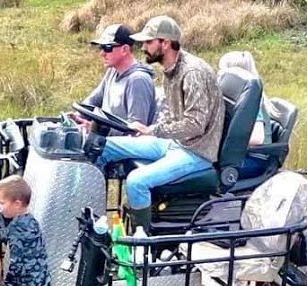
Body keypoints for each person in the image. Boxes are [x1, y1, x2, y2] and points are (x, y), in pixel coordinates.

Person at [93, 16, 224, 233]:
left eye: (148, 42)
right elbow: (172, 115)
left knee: (137, 182)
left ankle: (140, 245)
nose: (142, 47)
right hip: (175, 143)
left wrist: (153, 130)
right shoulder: (171, 69)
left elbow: (195, 125)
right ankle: (96, 219)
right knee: (105, 145)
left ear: (165, 43)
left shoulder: (192, 74)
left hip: (196, 152)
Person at [73, 24, 157, 132]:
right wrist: (75, 117)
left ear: (124, 49)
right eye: (101, 48)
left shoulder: (138, 80)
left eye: (107, 48)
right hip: (107, 141)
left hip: (125, 147)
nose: (102, 53)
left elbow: (137, 132)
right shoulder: (112, 72)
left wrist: (95, 130)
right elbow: (91, 102)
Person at [0, 175, 49, 286]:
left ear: (17, 204)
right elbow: (4, 235)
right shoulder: (31, 221)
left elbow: (16, 266)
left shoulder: (16, 230)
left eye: (1, 202)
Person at [218, 50, 273, 177]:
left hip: (253, 159)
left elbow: (257, 138)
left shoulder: (252, 103)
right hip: (237, 156)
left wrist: (225, 139)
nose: (220, 75)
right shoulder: (233, 97)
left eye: (222, 71)